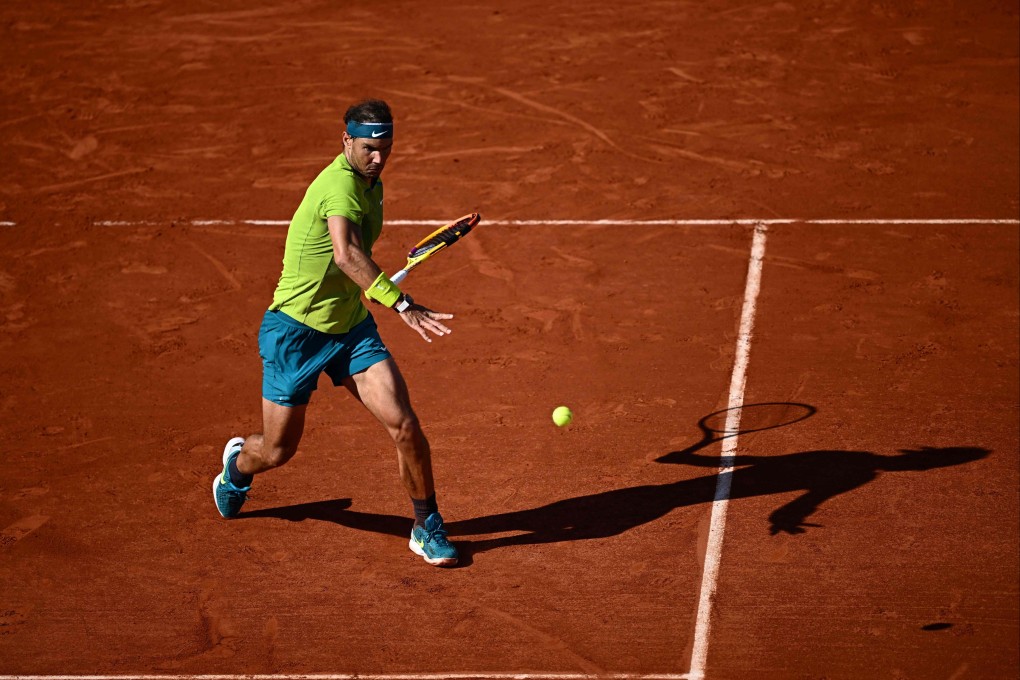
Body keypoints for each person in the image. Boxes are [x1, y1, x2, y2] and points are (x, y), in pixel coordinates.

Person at [213, 99, 459, 567]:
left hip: (349, 329)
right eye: (369, 148)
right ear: (345, 140)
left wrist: (372, 293)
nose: (379, 157)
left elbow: (350, 262)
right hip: (295, 333)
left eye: (386, 148)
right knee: (278, 451)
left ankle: (425, 524)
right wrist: (400, 302)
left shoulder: (371, 182)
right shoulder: (339, 186)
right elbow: (347, 255)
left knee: (404, 424)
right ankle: (238, 467)